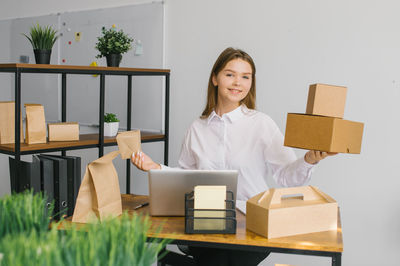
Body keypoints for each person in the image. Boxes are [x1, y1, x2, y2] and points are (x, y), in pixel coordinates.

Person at [131, 47, 336, 266]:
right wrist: (156, 167)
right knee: (214, 255)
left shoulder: (262, 124)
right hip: (206, 222)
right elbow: (186, 178)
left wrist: (309, 160)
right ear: (215, 78)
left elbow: (287, 178)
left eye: (245, 77)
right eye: (230, 74)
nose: (238, 82)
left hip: (251, 225)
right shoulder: (197, 128)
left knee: (223, 258)